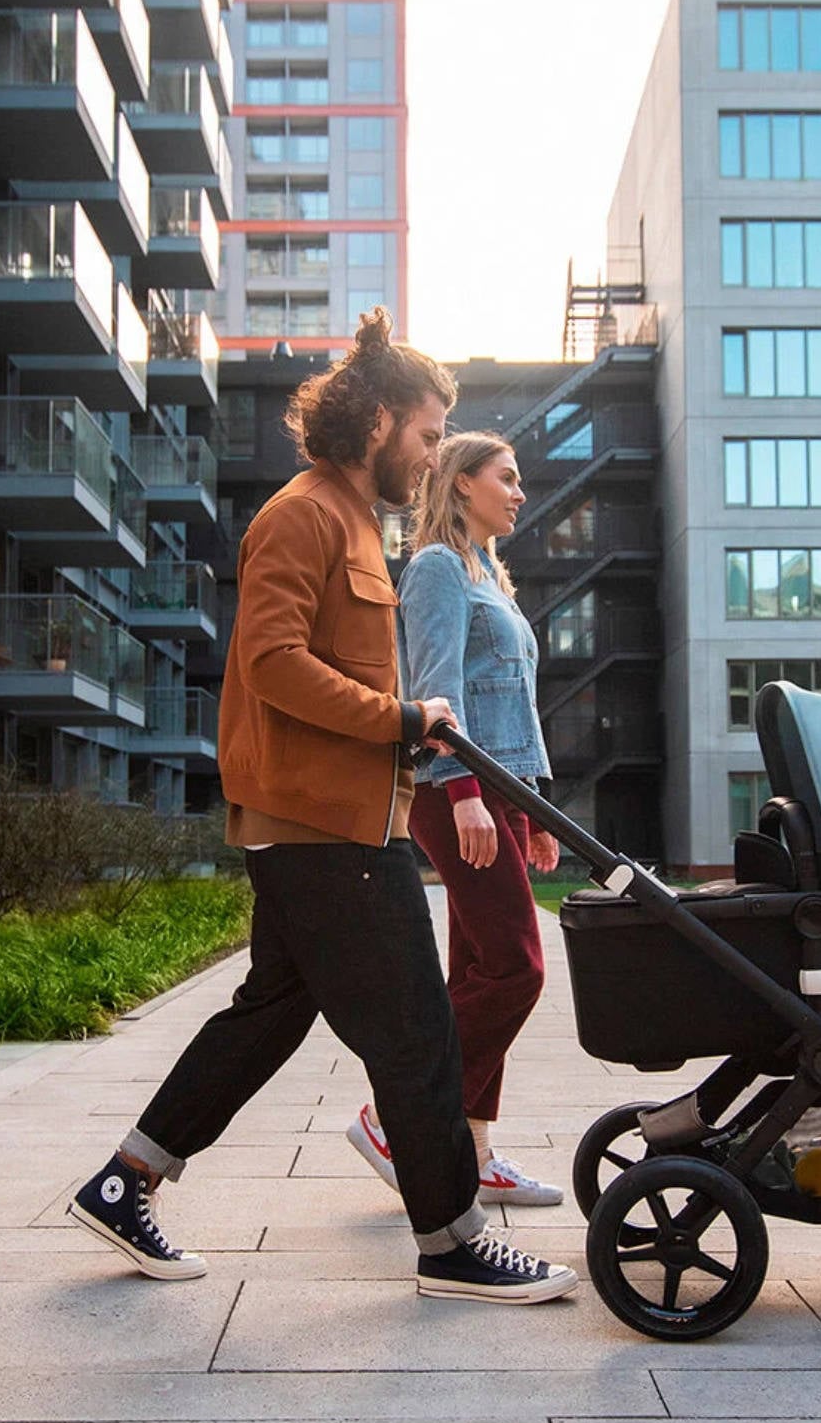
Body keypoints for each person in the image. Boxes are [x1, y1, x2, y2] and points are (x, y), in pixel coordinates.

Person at [66, 310, 577, 1306]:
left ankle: (124, 1180)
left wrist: (409, 728)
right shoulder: (303, 514)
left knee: (268, 1014)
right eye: (430, 437)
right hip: (321, 825)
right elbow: (269, 662)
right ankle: (451, 1238)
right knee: (419, 1027)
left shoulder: (350, 520)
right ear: (381, 422)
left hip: (332, 818)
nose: (431, 461)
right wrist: (400, 718)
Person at [346, 433, 566, 1207]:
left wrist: (534, 808)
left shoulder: (488, 577)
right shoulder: (438, 569)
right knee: (517, 967)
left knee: (476, 972)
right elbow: (438, 684)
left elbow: (515, 703)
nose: (518, 492)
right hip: (456, 787)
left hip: (501, 787)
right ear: (462, 484)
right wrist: (466, 788)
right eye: (506, 478)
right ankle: (392, 1117)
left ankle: (472, 1152)